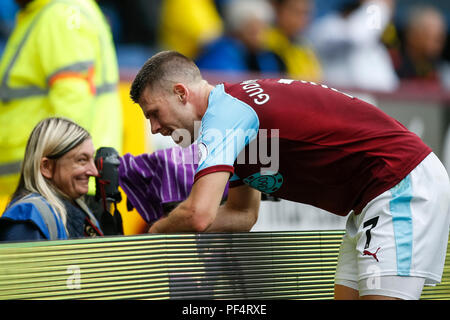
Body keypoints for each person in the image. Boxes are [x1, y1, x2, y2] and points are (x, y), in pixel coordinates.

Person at [129, 50, 450, 300]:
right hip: (372, 197)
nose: (155, 127)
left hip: (399, 181)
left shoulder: (224, 117)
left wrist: (154, 235)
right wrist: (175, 226)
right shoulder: (232, 112)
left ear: (181, 93)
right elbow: (243, 214)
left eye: (153, 113)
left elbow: (199, 214)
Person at [0, 0, 123, 208]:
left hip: (59, 193)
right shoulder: (55, 12)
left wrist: (60, 181)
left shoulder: (60, 14)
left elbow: (74, 107)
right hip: (54, 191)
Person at [0, 117, 103, 241]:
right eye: (82, 160)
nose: (94, 171)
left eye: (92, 158)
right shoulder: (27, 220)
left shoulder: (82, 212)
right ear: (46, 166)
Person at [307, 0, 398, 92]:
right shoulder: (328, 27)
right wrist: (378, 6)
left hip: (375, 97)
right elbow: (358, 36)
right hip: (341, 95)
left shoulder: (372, 41)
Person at [195, 0, 284, 75]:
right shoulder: (222, 53)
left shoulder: (264, 55)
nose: (259, 36)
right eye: (252, 30)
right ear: (237, 30)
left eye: (263, 29)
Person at [264, 0, 322, 82]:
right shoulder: (264, 43)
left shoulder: (305, 47)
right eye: (296, 12)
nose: (302, 18)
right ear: (278, 10)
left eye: (306, 13)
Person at [394, 5, 447, 88]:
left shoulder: (442, 71)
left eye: (440, 37)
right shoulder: (393, 65)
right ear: (412, 35)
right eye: (428, 34)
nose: (437, 43)